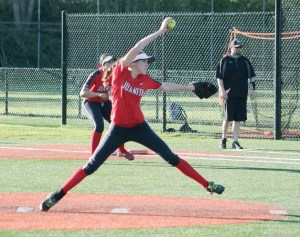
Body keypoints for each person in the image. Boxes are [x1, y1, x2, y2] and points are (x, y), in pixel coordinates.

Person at [39, 17, 225, 212]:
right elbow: (138, 46)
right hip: (117, 130)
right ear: (134, 63)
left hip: (140, 128)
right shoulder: (121, 72)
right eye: (145, 61)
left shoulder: (145, 79)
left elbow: (165, 87)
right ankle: (57, 195)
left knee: (172, 158)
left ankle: (207, 184)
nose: (147, 64)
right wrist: (161, 31)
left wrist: (189, 88)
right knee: (91, 166)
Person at [80, 54, 134, 160]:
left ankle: (121, 150)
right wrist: (98, 94)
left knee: (119, 124)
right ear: (102, 65)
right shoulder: (95, 74)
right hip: (90, 103)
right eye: (108, 63)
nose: (112, 65)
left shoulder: (114, 74)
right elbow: (82, 93)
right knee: (99, 126)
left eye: (113, 62)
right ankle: (94, 156)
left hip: (104, 102)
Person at [216, 39, 256, 149]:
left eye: (240, 47)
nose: (239, 49)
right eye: (237, 47)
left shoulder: (245, 61)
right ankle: (223, 139)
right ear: (231, 47)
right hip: (228, 94)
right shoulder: (224, 61)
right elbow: (219, 78)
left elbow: (252, 77)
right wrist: (222, 91)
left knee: (238, 119)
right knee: (227, 118)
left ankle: (235, 142)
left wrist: (252, 90)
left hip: (242, 94)